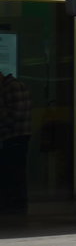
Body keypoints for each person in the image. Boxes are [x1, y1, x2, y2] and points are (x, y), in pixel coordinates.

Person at [0, 71, 31, 215]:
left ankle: (16, 205)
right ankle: (14, 204)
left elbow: (16, 114)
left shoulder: (12, 87)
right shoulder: (11, 86)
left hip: (16, 135)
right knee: (13, 171)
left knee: (14, 171)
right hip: (14, 135)